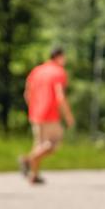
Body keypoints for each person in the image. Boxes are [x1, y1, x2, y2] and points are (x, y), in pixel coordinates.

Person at [19, 47, 74, 185]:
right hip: (50, 113)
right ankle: (27, 160)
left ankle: (34, 176)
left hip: (35, 113)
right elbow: (60, 96)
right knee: (53, 144)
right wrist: (68, 116)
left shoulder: (36, 70)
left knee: (39, 145)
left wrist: (33, 108)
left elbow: (27, 93)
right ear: (59, 57)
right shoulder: (58, 72)